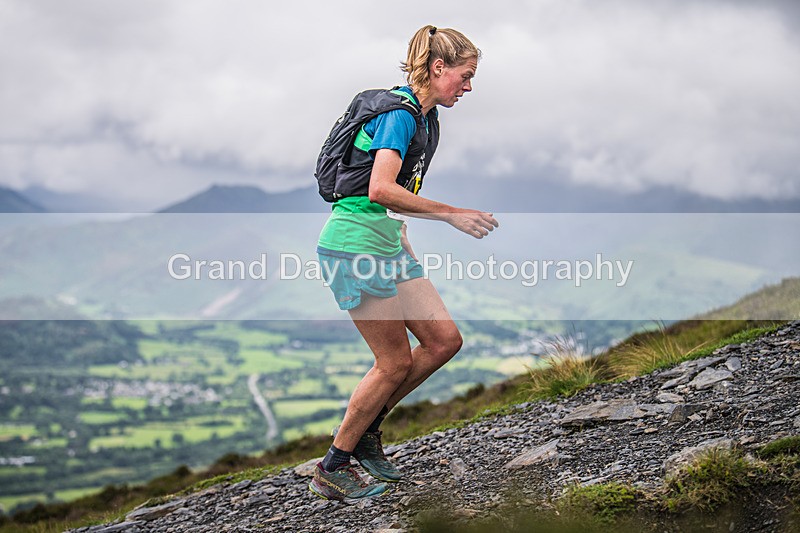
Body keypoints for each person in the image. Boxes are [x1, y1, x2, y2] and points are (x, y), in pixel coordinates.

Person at [309, 24, 499, 504]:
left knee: (443, 341)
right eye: (465, 75)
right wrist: (452, 214)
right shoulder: (399, 115)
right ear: (438, 68)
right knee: (393, 362)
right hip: (355, 246)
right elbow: (380, 190)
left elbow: (394, 200)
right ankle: (333, 467)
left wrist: (405, 247)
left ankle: (366, 432)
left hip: (387, 243)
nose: (469, 87)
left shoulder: (427, 120)